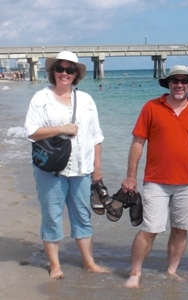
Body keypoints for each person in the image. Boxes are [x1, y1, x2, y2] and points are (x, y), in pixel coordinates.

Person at [24, 51, 111, 279]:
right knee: (52, 216)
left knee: (82, 216)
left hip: (82, 169)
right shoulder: (41, 98)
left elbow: (96, 136)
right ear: (53, 72)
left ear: (76, 75)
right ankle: (55, 265)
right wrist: (62, 128)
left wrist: (97, 169)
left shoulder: (86, 100)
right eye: (60, 69)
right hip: (51, 170)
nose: (64, 73)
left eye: (69, 70)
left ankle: (89, 263)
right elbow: (31, 132)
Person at [121, 65, 188, 288]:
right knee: (150, 229)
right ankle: (135, 273)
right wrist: (130, 176)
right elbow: (138, 143)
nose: (179, 85)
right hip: (155, 182)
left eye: (184, 81)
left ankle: (171, 271)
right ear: (168, 84)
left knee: (180, 230)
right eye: (174, 81)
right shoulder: (151, 107)